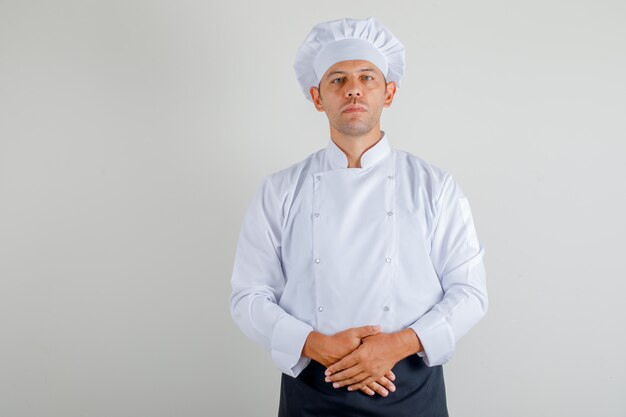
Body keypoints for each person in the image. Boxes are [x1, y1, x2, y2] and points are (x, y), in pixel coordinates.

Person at [230, 16, 488, 417]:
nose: (353, 88)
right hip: (314, 386)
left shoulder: (434, 186)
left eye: (367, 77)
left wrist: (398, 344)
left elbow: (470, 292)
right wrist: (318, 345)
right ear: (317, 98)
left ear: (389, 93)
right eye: (337, 79)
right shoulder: (280, 190)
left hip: (410, 387)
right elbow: (248, 295)